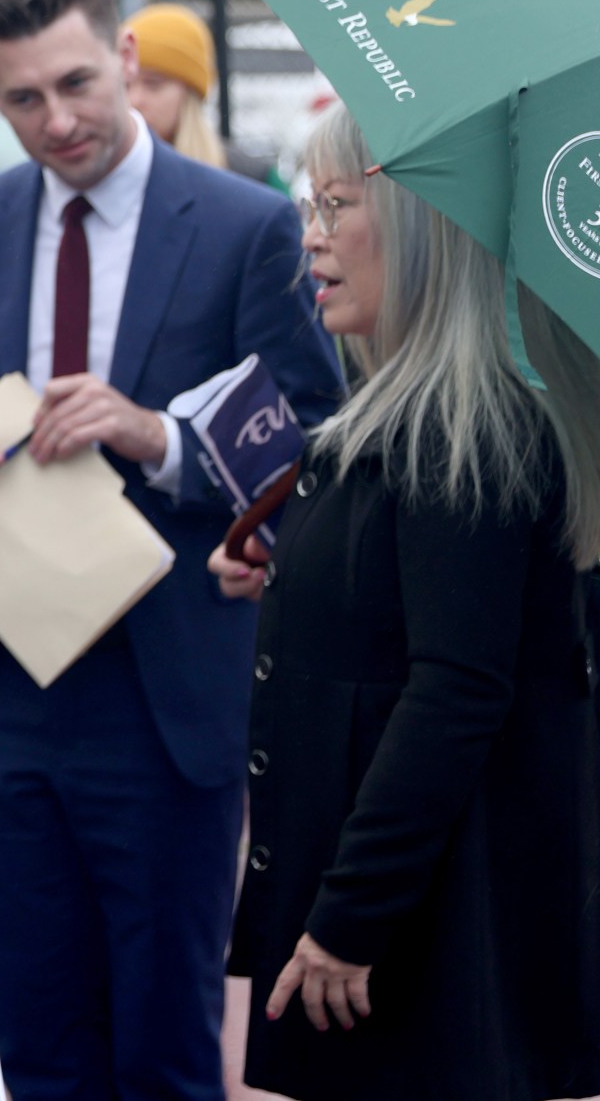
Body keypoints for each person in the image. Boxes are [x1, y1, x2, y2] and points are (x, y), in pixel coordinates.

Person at [0, 0, 342, 1101]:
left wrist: (157, 436)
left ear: (127, 57)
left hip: (169, 700)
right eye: (21, 98)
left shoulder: (246, 227)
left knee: (161, 1045)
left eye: (76, 83)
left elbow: (311, 435)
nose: (55, 120)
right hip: (8, 698)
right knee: (39, 1041)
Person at [208, 106, 600, 1101]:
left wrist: (347, 917)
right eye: (307, 204)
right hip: (401, 925)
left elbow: (455, 687)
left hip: (423, 942)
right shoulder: (404, 414)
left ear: (425, 223)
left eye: (337, 205)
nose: (310, 234)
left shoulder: (461, 429)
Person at [122, 2, 229, 169]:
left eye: (153, 84)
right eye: (125, 86)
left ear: (190, 91)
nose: (134, 100)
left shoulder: (252, 179)